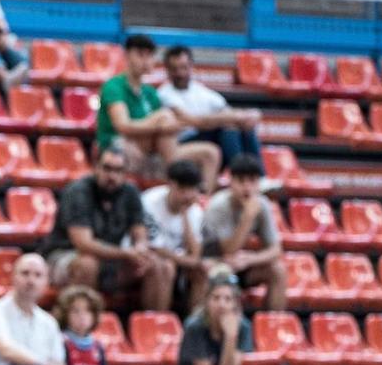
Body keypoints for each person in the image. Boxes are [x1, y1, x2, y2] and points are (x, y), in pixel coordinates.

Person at [44, 144, 174, 312]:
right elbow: (83, 243)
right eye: (107, 168)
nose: (111, 176)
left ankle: (153, 329)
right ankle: (79, 328)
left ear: (125, 173)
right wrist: (126, 253)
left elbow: (140, 232)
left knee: (161, 265)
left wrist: (140, 249)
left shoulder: (130, 192)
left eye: (118, 170)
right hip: (65, 255)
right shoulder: (78, 191)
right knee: (87, 264)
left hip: (110, 257)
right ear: (96, 167)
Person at [95, 33, 220, 188]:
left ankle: (201, 203)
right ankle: (179, 180)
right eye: (140, 55)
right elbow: (123, 126)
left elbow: (168, 128)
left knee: (210, 153)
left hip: (151, 152)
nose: (145, 61)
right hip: (117, 148)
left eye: (149, 56)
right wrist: (161, 125)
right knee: (163, 117)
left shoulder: (151, 93)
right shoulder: (114, 86)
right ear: (126, 56)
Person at [199, 154, 288, 311]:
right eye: (241, 181)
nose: (247, 188)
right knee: (208, 270)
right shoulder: (218, 206)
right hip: (213, 262)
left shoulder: (262, 204)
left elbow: (276, 249)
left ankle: (273, 325)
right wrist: (247, 218)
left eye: (252, 181)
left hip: (240, 264)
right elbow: (228, 250)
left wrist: (251, 259)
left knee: (278, 270)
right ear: (231, 181)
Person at [160, 45, 261, 166]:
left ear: (191, 66)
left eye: (183, 67)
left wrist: (249, 115)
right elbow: (195, 122)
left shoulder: (201, 91)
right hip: (183, 143)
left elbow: (228, 112)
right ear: (167, 70)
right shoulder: (164, 94)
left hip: (210, 140)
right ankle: (240, 174)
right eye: (174, 69)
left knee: (243, 127)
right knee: (229, 127)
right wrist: (237, 117)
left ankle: (258, 178)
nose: (180, 73)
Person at [140, 157, 209, 308]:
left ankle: (194, 323)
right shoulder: (149, 202)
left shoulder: (195, 211)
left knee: (203, 270)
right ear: (170, 184)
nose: (188, 195)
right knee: (165, 267)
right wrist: (188, 260)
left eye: (193, 190)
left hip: (176, 259)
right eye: (183, 190)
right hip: (147, 258)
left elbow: (196, 253)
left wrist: (185, 216)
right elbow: (154, 248)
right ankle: (159, 322)